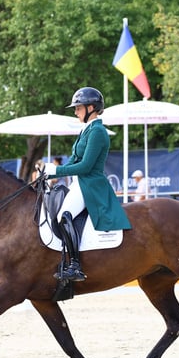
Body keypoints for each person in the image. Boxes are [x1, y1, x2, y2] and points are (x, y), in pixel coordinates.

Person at [42, 87, 131, 285]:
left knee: (64, 216)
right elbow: (73, 161)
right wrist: (51, 172)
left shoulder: (98, 131)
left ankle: (75, 265)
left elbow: (85, 166)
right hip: (80, 183)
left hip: (91, 184)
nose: (75, 112)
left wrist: (56, 171)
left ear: (91, 107)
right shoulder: (86, 131)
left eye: (78, 108)